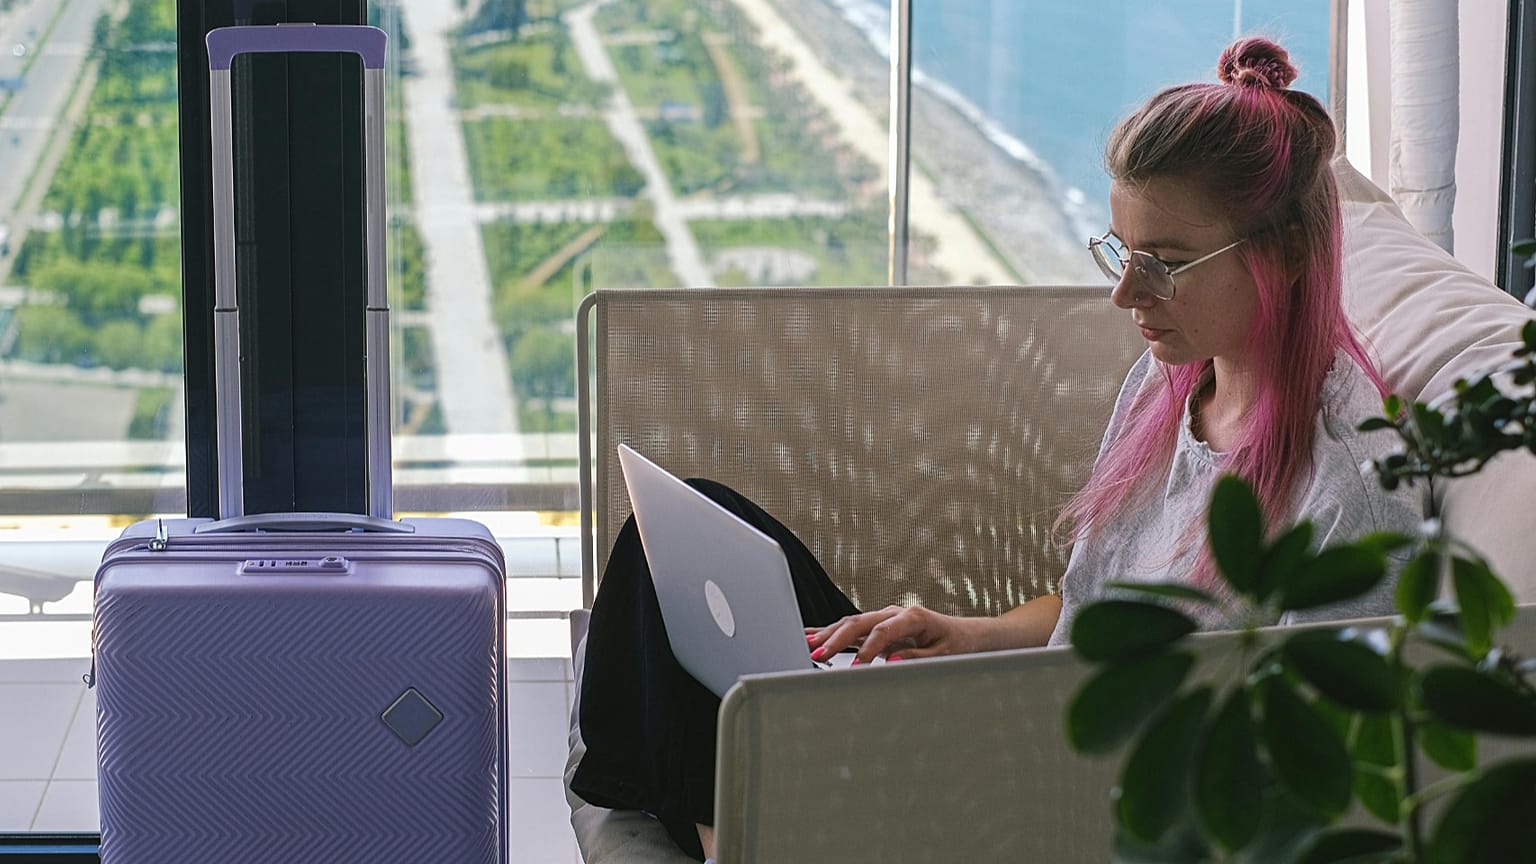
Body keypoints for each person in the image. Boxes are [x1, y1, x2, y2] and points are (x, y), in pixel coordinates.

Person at [570, 37, 1422, 862]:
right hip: (1019, 737)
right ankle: (738, 835)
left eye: (1164, 263)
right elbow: (1090, 604)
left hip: (1060, 809)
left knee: (691, 706)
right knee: (676, 541)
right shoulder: (1169, 381)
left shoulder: (1348, 491)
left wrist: (994, 749)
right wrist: (966, 638)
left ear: (1287, 253)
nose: (1126, 293)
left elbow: (1305, 785)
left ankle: (743, 830)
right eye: (1123, 253)